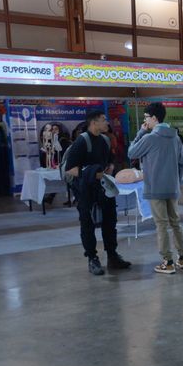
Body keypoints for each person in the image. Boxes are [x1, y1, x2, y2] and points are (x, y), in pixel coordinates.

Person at [64, 110, 131, 275]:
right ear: (93, 123)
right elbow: (70, 170)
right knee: (87, 224)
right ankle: (92, 259)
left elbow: (109, 161)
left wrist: (110, 168)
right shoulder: (81, 141)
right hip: (85, 190)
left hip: (103, 188)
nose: (106, 122)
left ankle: (112, 256)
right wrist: (93, 173)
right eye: (103, 120)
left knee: (110, 221)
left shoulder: (105, 140)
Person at [128, 102, 183, 274]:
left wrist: (140, 132)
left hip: (155, 188)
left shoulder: (149, 138)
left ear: (154, 118)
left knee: (161, 224)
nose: (145, 121)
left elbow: (131, 152)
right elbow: (182, 163)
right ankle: (182, 257)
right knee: (175, 223)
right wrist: (174, 181)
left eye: (146, 117)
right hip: (172, 188)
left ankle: (167, 261)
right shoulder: (175, 137)